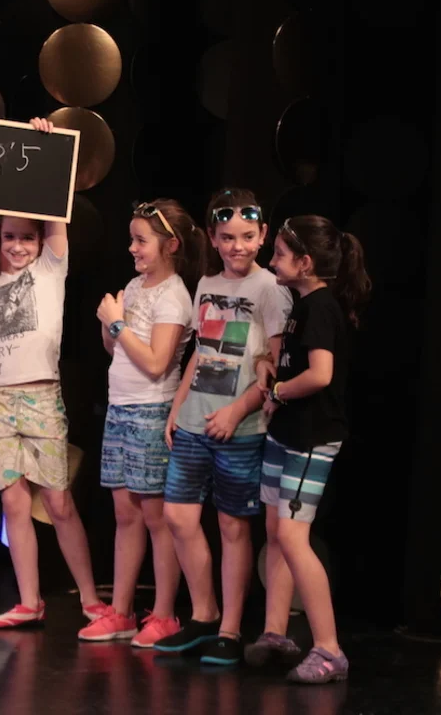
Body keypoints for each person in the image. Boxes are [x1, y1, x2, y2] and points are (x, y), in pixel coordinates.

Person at [0, 117, 104, 629]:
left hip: (40, 398)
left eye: (27, 237)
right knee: (14, 506)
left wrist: (42, 147)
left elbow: (55, 218)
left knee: (59, 503)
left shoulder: (50, 271)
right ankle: (29, 600)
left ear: (40, 241)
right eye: (9, 237)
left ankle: (91, 599)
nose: (18, 245)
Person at [153, 189, 292, 664]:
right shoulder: (207, 283)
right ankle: (204, 614)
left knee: (233, 526)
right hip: (195, 420)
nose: (238, 246)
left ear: (263, 235)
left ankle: (230, 630)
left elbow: (275, 366)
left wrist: (237, 412)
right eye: (228, 237)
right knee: (178, 517)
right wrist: (178, 405)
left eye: (248, 236)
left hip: (241, 427)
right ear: (213, 238)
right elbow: (201, 351)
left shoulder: (270, 288)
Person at [245, 215, 370, 684]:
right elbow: (291, 361)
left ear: (305, 262)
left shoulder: (320, 307)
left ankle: (329, 650)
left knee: (294, 537)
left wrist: (278, 393)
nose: (272, 260)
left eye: (279, 253)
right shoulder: (302, 304)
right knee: (276, 532)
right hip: (288, 431)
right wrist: (268, 370)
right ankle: (275, 632)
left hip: (311, 437)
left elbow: (320, 374)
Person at [79, 199, 204, 645]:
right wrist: (109, 325)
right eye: (131, 239)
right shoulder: (134, 287)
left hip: (152, 411)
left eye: (141, 240)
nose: (132, 248)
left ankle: (165, 615)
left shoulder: (174, 295)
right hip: (120, 408)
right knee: (125, 514)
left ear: (170, 245)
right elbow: (118, 350)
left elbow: (155, 362)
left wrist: (116, 325)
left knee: (156, 519)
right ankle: (121, 612)